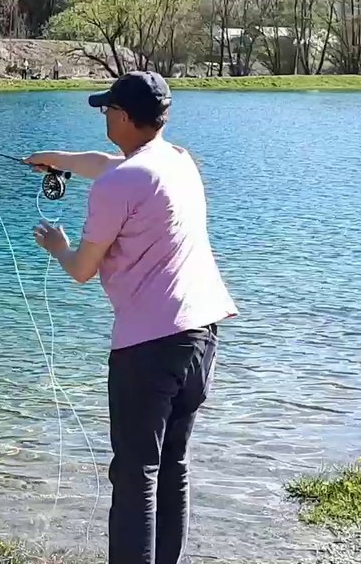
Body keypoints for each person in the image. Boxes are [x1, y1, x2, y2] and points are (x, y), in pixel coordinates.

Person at [24, 71, 237, 564]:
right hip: (203, 335)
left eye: (106, 110)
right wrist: (53, 158)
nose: (103, 116)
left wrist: (57, 246)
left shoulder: (118, 185)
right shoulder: (178, 160)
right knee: (172, 465)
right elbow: (108, 165)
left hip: (149, 348)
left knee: (136, 472)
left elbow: (82, 269)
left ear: (122, 116)